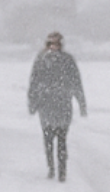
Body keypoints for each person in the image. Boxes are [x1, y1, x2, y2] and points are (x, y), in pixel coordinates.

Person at [27, 32, 86, 181]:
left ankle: (60, 169)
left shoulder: (52, 60)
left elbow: (76, 82)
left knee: (60, 140)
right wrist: (32, 103)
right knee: (50, 140)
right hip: (51, 104)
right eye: (52, 43)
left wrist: (81, 103)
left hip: (59, 104)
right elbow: (34, 83)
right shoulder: (45, 60)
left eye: (56, 43)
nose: (54, 46)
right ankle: (53, 167)